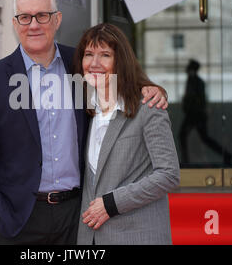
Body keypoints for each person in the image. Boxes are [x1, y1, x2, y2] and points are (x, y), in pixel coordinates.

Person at [0, 0, 167, 245]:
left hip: (76, 217)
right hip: (17, 220)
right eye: (25, 17)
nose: (33, 25)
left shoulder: (81, 64)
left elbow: (120, 84)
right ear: (15, 23)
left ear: (57, 19)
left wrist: (149, 89)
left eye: (42, 16)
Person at [73, 23, 180, 245]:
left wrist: (112, 203)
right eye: (88, 54)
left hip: (138, 236)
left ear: (120, 61)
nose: (94, 63)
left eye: (105, 55)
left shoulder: (147, 107)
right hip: (90, 240)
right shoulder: (84, 110)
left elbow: (169, 174)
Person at [179, 59, 232, 166]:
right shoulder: (192, 80)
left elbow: (198, 100)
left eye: (188, 67)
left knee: (195, 137)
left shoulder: (197, 82)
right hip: (193, 114)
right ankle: (185, 160)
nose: (186, 69)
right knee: (190, 136)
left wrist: (194, 110)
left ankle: (185, 160)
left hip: (195, 115)